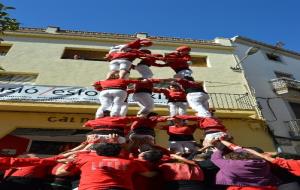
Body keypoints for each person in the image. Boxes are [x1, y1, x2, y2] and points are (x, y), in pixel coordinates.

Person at [57, 143, 155, 190]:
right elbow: (149, 175)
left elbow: (60, 172)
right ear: (118, 153)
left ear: (98, 152)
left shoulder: (83, 158)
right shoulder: (130, 162)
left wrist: (70, 161)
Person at [211, 140, 279, 190]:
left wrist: (218, 149)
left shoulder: (232, 165)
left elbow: (215, 159)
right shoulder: (264, 162)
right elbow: (239, 150)